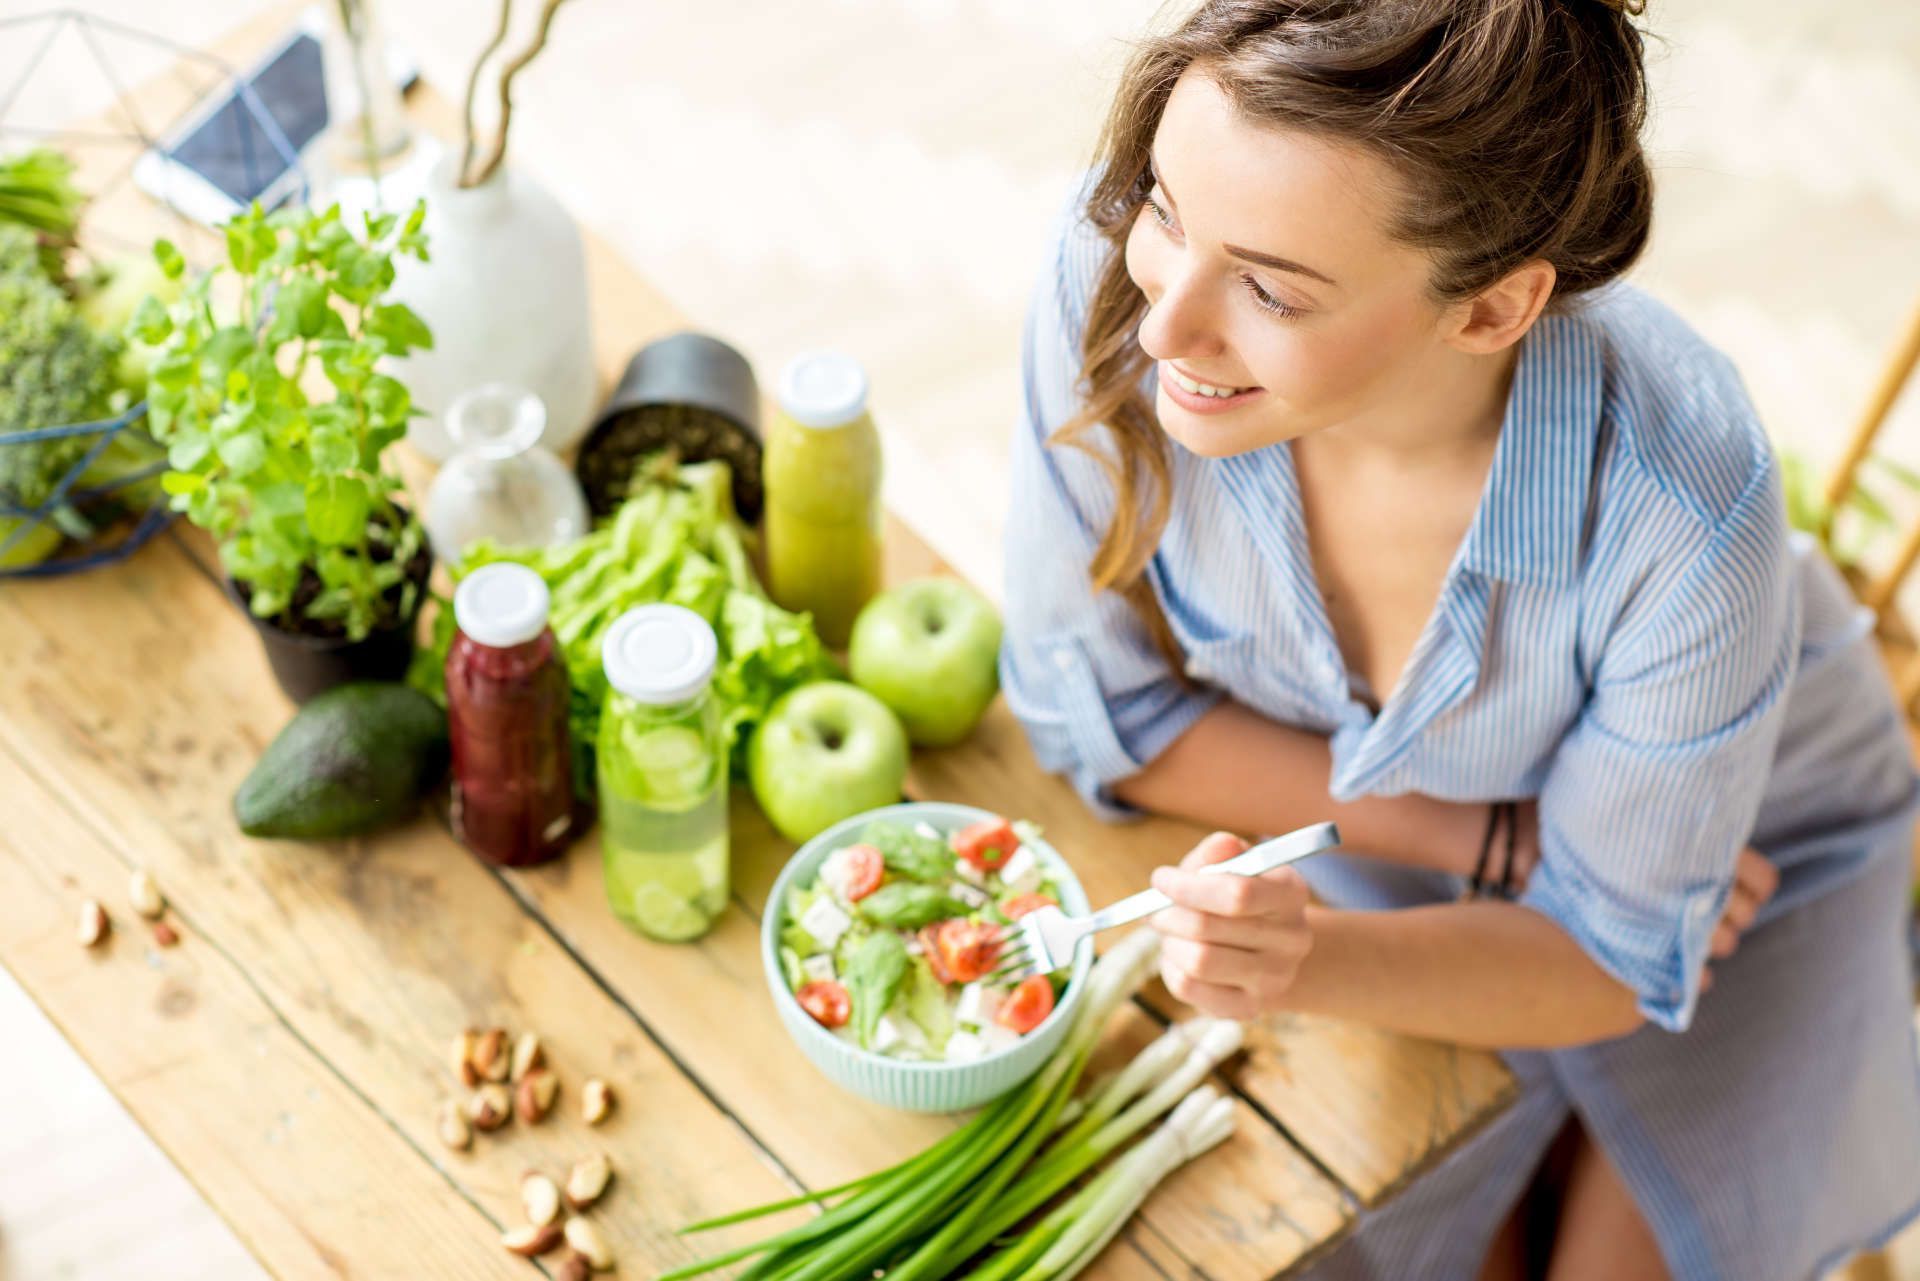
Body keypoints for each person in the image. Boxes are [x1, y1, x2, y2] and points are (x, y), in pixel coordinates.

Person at [997, 1, 1920, 1277]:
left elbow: (1602, 952)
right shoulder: (1121, 282)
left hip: (1754, 862)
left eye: (1268, 288)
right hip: (1419, 844)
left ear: (1492, 309)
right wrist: (1476, 841)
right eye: (1165, 207)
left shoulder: (1687, 504)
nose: (1164, 328)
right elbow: (1087, 703)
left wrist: (1302, 953)